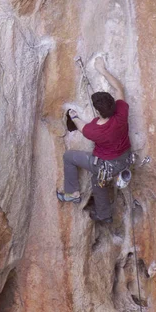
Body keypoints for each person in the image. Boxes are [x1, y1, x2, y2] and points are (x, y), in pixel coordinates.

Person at [56, 56, 132, 223]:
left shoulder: (94, 130)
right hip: (125, 160)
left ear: (98, 113)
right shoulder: (121, 112)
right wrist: (102, 70)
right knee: (98, 182)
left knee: (69, 157)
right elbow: (119, 88)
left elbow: (79, 124)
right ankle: (104, 216)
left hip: (105, 165)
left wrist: (72, 114)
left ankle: (72, 193)